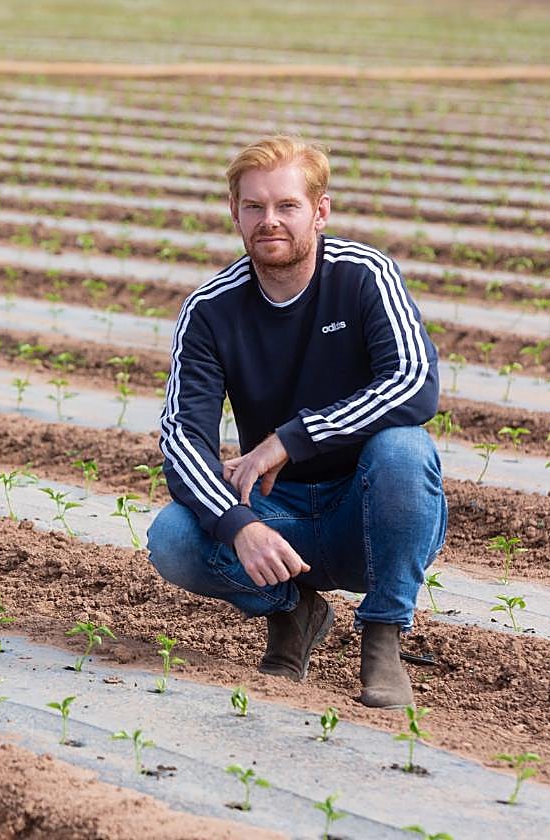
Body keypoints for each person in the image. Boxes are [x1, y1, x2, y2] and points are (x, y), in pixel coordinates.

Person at [146, 135, 446, 709]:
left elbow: (413, 382)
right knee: (174, 538)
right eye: (254, 207)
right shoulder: (210, 310)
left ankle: (382, 636)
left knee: (405, 450)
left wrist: (290, 439)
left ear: (320, 210)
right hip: (278, 515)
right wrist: (240, 525)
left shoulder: (364, 277)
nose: (270, 221)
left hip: (368, 513)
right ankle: (294, 610)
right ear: (235, 213)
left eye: (287, 206)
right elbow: (184, 438)